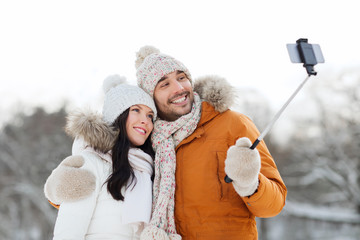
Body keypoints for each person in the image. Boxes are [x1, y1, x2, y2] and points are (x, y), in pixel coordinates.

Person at [135, 46, 287, 240]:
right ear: (151, 96)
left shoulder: (234, 124)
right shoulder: (147, 141)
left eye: (181, 78)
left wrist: (251, 184)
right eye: (164, 84)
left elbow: (274, 205)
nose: (179, 88)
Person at [44, 75, 157, 239]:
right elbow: (68, 233)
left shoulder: (147, 171)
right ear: (118, 115)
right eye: (136, 110)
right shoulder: (90, 163)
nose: (145, 121)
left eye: (150, 116)